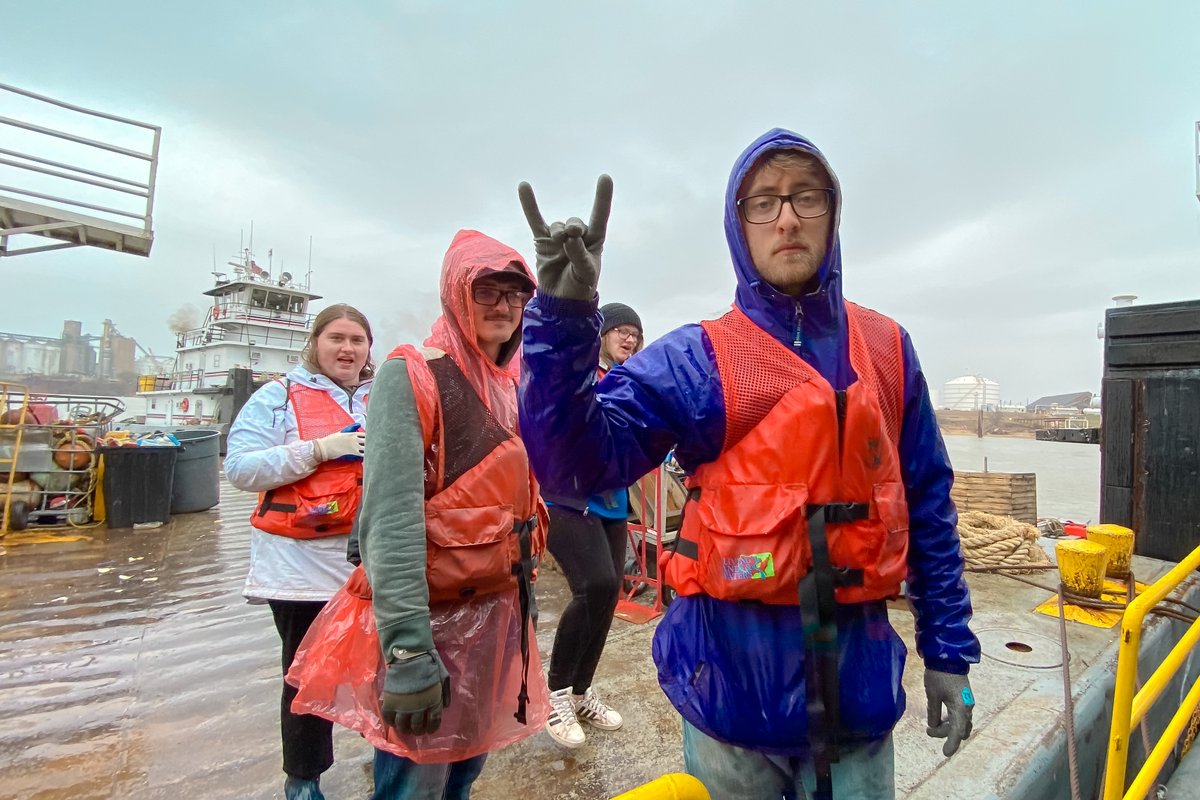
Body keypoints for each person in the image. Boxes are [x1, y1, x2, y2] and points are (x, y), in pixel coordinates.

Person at [516, 129, 980, 800]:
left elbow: (928, 505)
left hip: (859, 710)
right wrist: (561, 319)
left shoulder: (886, 350)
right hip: (728, 713)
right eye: (762, 202)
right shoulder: (696, 360)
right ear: (739, 228)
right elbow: (574, 465)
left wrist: (948, 652)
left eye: (805, 197)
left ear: (833, 213)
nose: (786, 216)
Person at [358, 229, 548, 799]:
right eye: (486, 290)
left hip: (498, 619)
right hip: (431, 626)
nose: (504, 306)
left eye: (516, 295)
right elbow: (389, 519)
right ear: (455, 292)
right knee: (414, 782)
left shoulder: (517, 385)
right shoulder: (412, 373)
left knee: (464, 775)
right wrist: (407, 650)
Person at [225, 304, 374, 800]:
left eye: (357, 339)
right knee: (307, 674)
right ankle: (304, 778)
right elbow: (241, 468)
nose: (347, 348)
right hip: (297, 569)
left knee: (383, 664)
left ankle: (386, 748)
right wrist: (319, 450)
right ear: (315, 342)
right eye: (336, 337)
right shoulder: (277, 397)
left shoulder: (381, 400)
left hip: (367, 564)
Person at [542, 301, 643, 748]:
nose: (630, 340)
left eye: (636, 334)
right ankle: (555, 695)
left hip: (612, 500)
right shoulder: (582, 373)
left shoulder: (629, 381)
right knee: (595, 584)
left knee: (608, 594)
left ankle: (581, 692)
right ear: (602, 334)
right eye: (622, 330)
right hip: (567, 498)